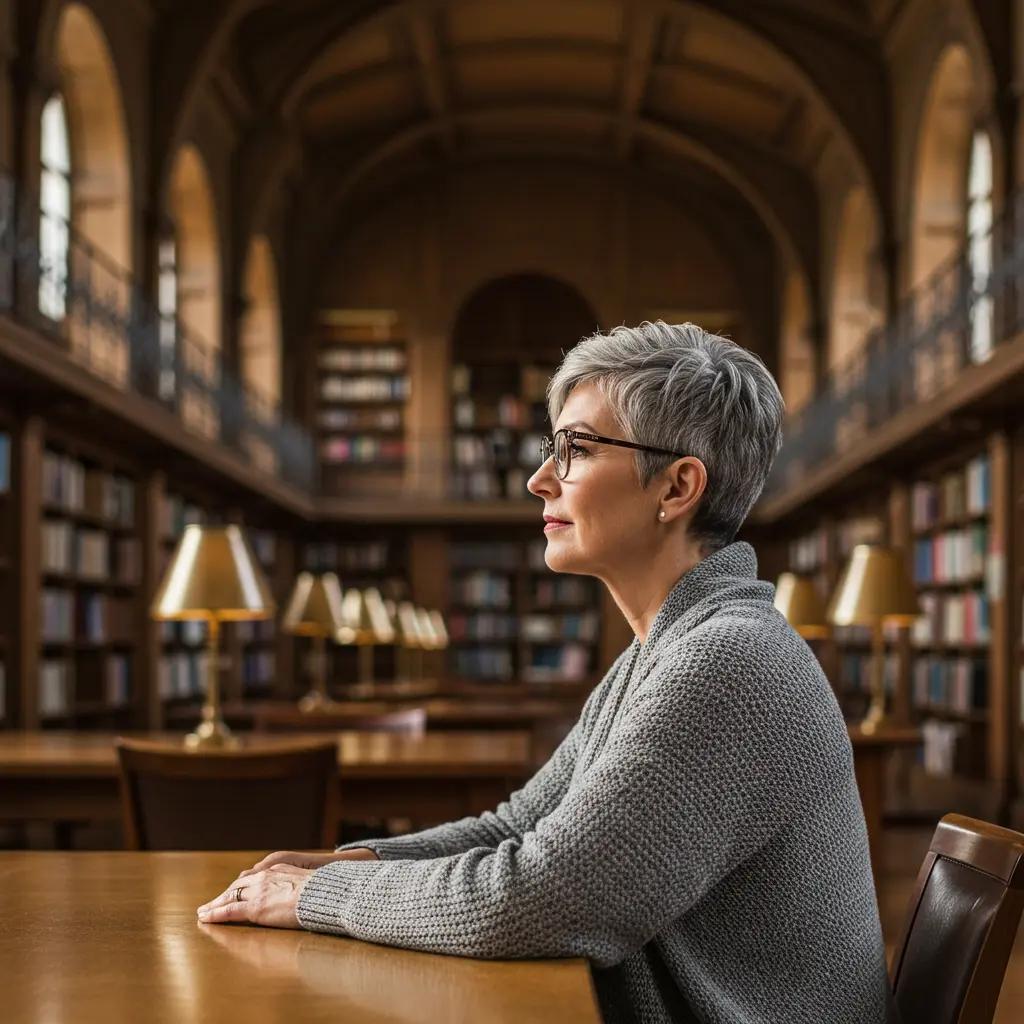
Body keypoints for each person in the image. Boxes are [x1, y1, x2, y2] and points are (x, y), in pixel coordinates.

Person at [198, 322, 896, 1023]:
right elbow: (522, 824)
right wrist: (348, 864)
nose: (539, 480)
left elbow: (535, 900)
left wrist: (313, 899)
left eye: (577, 450)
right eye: (550, 449)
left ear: (679, 486)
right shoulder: (666, 649)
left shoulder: (728, 662)